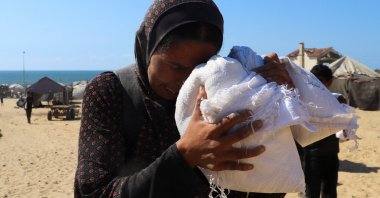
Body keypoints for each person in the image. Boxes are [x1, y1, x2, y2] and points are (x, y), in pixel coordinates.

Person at [74, 1, 293, 197]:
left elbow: (263, 189)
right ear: (148, 47)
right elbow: (95, 193)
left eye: (201, 68)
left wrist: (282, 111)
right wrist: (183, 157)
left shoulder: (224, 99)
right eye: (175, 66)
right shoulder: (110, 92)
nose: (186, 81)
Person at [303, 64, 347, 198]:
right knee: (311, 192)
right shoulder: (305, 100)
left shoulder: (338, 99)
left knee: (330, 191)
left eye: (320, 81)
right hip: (311, 154)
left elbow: (345, 127)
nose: (317, 85)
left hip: (332, 154)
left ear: (329, 82)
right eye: (313, 81)